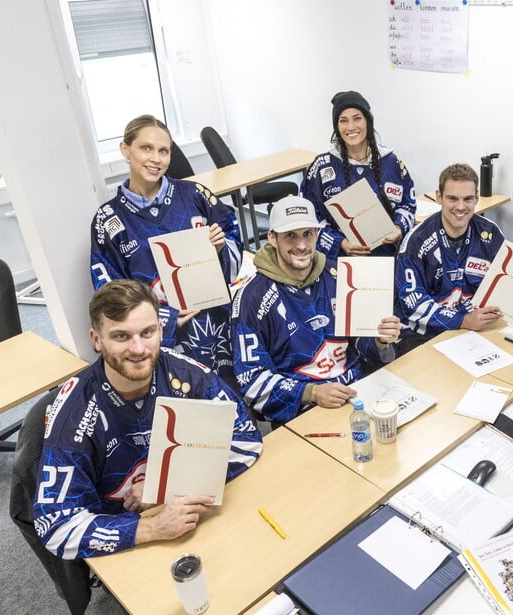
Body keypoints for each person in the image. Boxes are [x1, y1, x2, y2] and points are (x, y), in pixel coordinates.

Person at [34, 280, 263, 559]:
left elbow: (246, 441)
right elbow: (55, 526)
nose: (139, 348)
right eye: (121, 336)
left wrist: (165, 487)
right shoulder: (74, 414)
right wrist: (152, 528)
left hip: (191, 514)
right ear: (96, 339)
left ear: (161, 329)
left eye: (147, 332)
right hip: (126, 538)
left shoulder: (190, 376)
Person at [90, 114, 243, 380]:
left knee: (229, 395)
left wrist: (221, 247)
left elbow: (232, 232)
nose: (156, 159)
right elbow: (108, 293)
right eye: (146, 148)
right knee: (181, 403)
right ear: (125, 150)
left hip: (216, 319)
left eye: (164, 151)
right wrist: (163, 318)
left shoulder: (195, 194)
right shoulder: (108, 220)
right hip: (158, 335)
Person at [231, 195, 401, 427]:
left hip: (359, 391)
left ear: (317, 234)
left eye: (307, 234)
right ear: (272, 238)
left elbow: (363, 345)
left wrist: (380, 339)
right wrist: (311, 393)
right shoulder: (251, 298)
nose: (301, 245)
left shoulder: (342, 275)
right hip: (304, 410)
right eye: (290, 236)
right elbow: (252, 381)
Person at [394, 163, 505, 352]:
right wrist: (462, 320)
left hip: (475, 329)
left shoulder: (490, 233)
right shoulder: (415, 243)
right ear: (439, 197)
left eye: (468, 199)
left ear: (477, 198)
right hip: (425, 334)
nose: (461, 207)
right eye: (452, 198)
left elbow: (505, 284)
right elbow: (412, 305)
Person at [301, 90, 416, 259]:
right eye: (343, 121)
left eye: (357, 118)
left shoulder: (391, 162)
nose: (351, 127)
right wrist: (340, 242)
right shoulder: (322, 165)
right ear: (336, 126)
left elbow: (408, 204)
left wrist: (398, 228)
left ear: (368, 121)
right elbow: (309, 215)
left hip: (386, 258)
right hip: (337, 260)